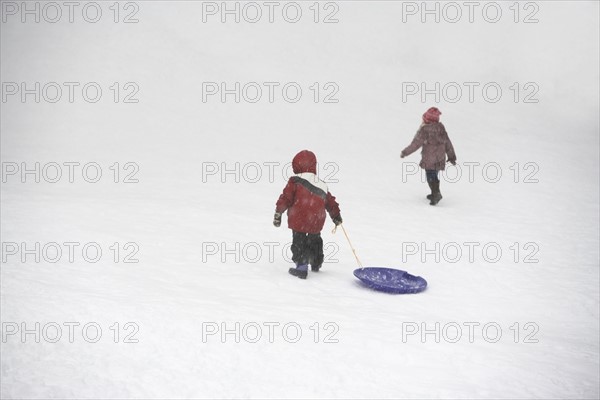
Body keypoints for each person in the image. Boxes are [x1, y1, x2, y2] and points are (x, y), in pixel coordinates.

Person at [273, 150, 342, 279]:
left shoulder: (295, 181)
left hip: (298, 218)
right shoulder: (321, 184)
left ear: (296, 165)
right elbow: (330, 202)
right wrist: (336, 216)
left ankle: (301, 267)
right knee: (315, 239)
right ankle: (316, 263)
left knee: (299, 241)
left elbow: (286, 198)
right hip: (316, 219)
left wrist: (278, 212)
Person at [401, 107, 457, 205]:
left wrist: (405, 152)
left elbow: (416, 144)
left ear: (427, 119)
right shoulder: (441, 128)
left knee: (430, 175)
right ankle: (434, 193)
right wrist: (452, 156)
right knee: (434, 174)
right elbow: (448, 143)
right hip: (440, 158)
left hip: (429, 158)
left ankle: (436, 194)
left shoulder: (425, 130)